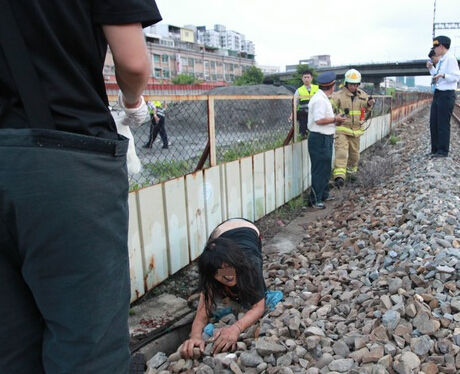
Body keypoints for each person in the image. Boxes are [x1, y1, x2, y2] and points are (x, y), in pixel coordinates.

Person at [0, 1, 161, 373]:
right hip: (66, 155)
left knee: (10, 347)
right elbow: (134, 62)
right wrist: (132, 102)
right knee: (87, 349)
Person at [181, 218, 266, 358]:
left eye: (229, 268)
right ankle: (207, 290)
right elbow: (202, 315)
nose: (227, 276)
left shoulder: (250, 265)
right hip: (220, 233)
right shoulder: (213, 272)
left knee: (245, 286)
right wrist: (195, 336)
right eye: (220, 272)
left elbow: (258, 307)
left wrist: (236, 328)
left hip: (248, 229)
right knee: (216, 272)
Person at [307, 72, 345, 209]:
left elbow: (324, 118)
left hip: (325, 138)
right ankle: (315, 200)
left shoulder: (323, 98)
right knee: (319, 170)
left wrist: (335, 120)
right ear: (332, 86)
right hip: (319, 138)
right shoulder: (320, 100)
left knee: (325, 168)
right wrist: (336, 119)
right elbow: (319, 120)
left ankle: (323, 194)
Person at [331, 69, 375, 187]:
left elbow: (367, 108)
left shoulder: (363, 95)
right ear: (346, 83)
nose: (353, 87)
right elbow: (330, 109)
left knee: (354, 155)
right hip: (342, 130)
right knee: (341, 152)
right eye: (351, 84)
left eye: (356, 84)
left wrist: (370, 104)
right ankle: (339, 177)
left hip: (356, 131)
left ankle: (351, 175)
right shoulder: (338, 96)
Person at [427, 35, 460, 158]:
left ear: (441, 46)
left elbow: (457, 77)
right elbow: (437, 75)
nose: (434, 50)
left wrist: (443, 76)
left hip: (447, 94)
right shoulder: (442, 60)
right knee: (434, 122)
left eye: (435, 47)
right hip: (439, 93)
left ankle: (443, 150)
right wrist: (431, 69)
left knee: (442, 123)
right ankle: (435, 149)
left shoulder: (450, 59)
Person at [291, 70, 319, 138]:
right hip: (303, 116)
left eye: (308, 77)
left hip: (316, 114)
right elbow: (295, 103)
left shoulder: (317, 88)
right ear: (302, 78)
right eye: (305, 77)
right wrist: (292, 114)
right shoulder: (299, 90)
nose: (306, 79)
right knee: (303, 133)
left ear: (311, 78)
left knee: (315, 132)